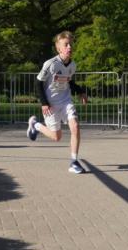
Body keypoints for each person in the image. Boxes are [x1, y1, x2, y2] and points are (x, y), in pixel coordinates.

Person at [27, 31, 89, 174]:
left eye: (70, 44)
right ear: (58, 48)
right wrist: (44, 103)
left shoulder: (73, 65)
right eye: (66, 45)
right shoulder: (50, 64)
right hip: (51, 103)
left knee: (75, 126)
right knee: (57, 137)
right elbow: (38, 83)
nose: (69, 47)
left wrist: (80, 91)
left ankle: (74, 162)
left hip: (66, 101)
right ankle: (35, 125)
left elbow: (69, 81)